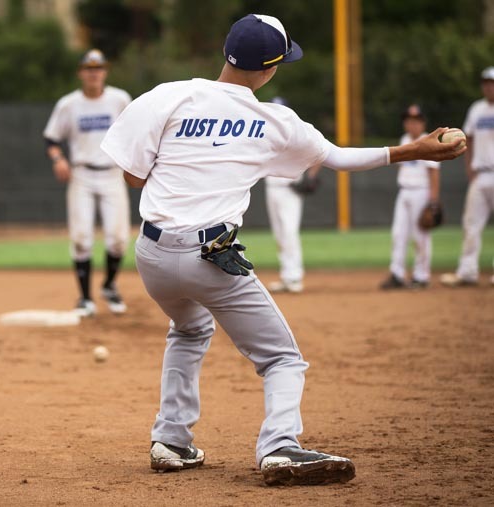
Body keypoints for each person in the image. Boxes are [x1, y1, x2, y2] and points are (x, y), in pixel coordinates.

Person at [100, 14, 465, 486]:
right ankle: (279, 446)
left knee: (189, 331)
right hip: (209, 255)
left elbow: (132, 174)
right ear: (269, 69)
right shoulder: (275, 121)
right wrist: (414, 149)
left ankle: (171, 441)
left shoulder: (169, 95)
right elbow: (338, 158)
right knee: (281, 359)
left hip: (151, 255)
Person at [43, 49, 132, 316]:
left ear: (105, 72)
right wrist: (58, 158)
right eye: (89, 68)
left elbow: (136, 130)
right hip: (81, 174)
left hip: (112, 173)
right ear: (81, 73)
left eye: (99, 68)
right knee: (81, 237)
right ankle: (85, 298)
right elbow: (51, 138)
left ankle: (109, 285)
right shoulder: (69, 104)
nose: (94, 73)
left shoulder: (120, 99)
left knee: (117, 239)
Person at [440, 67, 494, 287]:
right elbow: (467, 138)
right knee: (471, 224)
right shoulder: (476, 109)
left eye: (491, 82)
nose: (488, 86)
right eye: (485, 82)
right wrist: (469, 167)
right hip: (480, 175)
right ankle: (468, 271)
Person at [263, 97, 321, 293]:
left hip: (290, 190)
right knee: (279, 234)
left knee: (289, 232)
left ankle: (294, 276)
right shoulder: (266, 134)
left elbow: (320, 151)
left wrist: (311, 177)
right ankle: (287, 276)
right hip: (272, 188)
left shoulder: (297, 133)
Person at [380, 105, 441, 289]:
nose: (411, 124)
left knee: (420, 236)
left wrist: (433, 201)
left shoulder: (428, 140)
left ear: (423, 123)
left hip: (421, 192)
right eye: (408, 120)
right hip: (404, 191)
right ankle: (397, 274)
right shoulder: (405, 139)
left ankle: (421, 276)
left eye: (415, 120)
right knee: (398, 234)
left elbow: (434, 173)